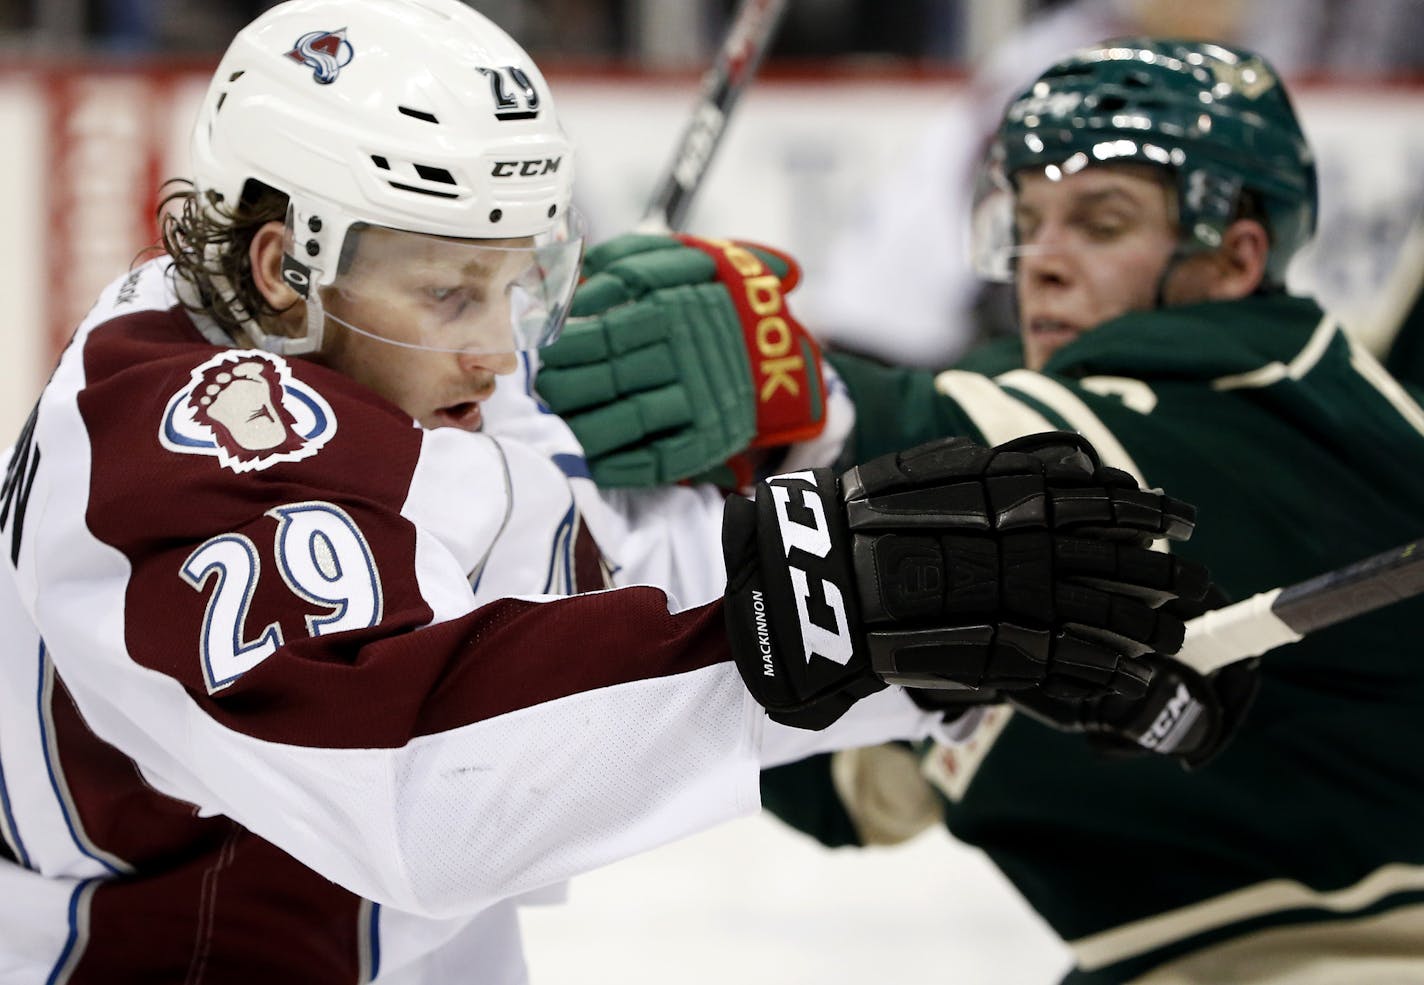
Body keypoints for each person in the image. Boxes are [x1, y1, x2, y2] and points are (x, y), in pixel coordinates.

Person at [0, 3, 1212, 982]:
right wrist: (839, 615)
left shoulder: (389, 366)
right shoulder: (179, 437)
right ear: (282, 265)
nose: (496, 347)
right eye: (449, 291)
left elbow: (594, 581)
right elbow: (421, 781)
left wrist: (940, 611)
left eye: (515, 281)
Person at [537, 37, 1424, 984]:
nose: (1041, 261)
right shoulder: (1057, 445)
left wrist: (802, 392)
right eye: (1028, 220)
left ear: (1236, 256)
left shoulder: (1290, 402)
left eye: (1103, 221)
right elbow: (857, 787)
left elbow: (1005, 455)